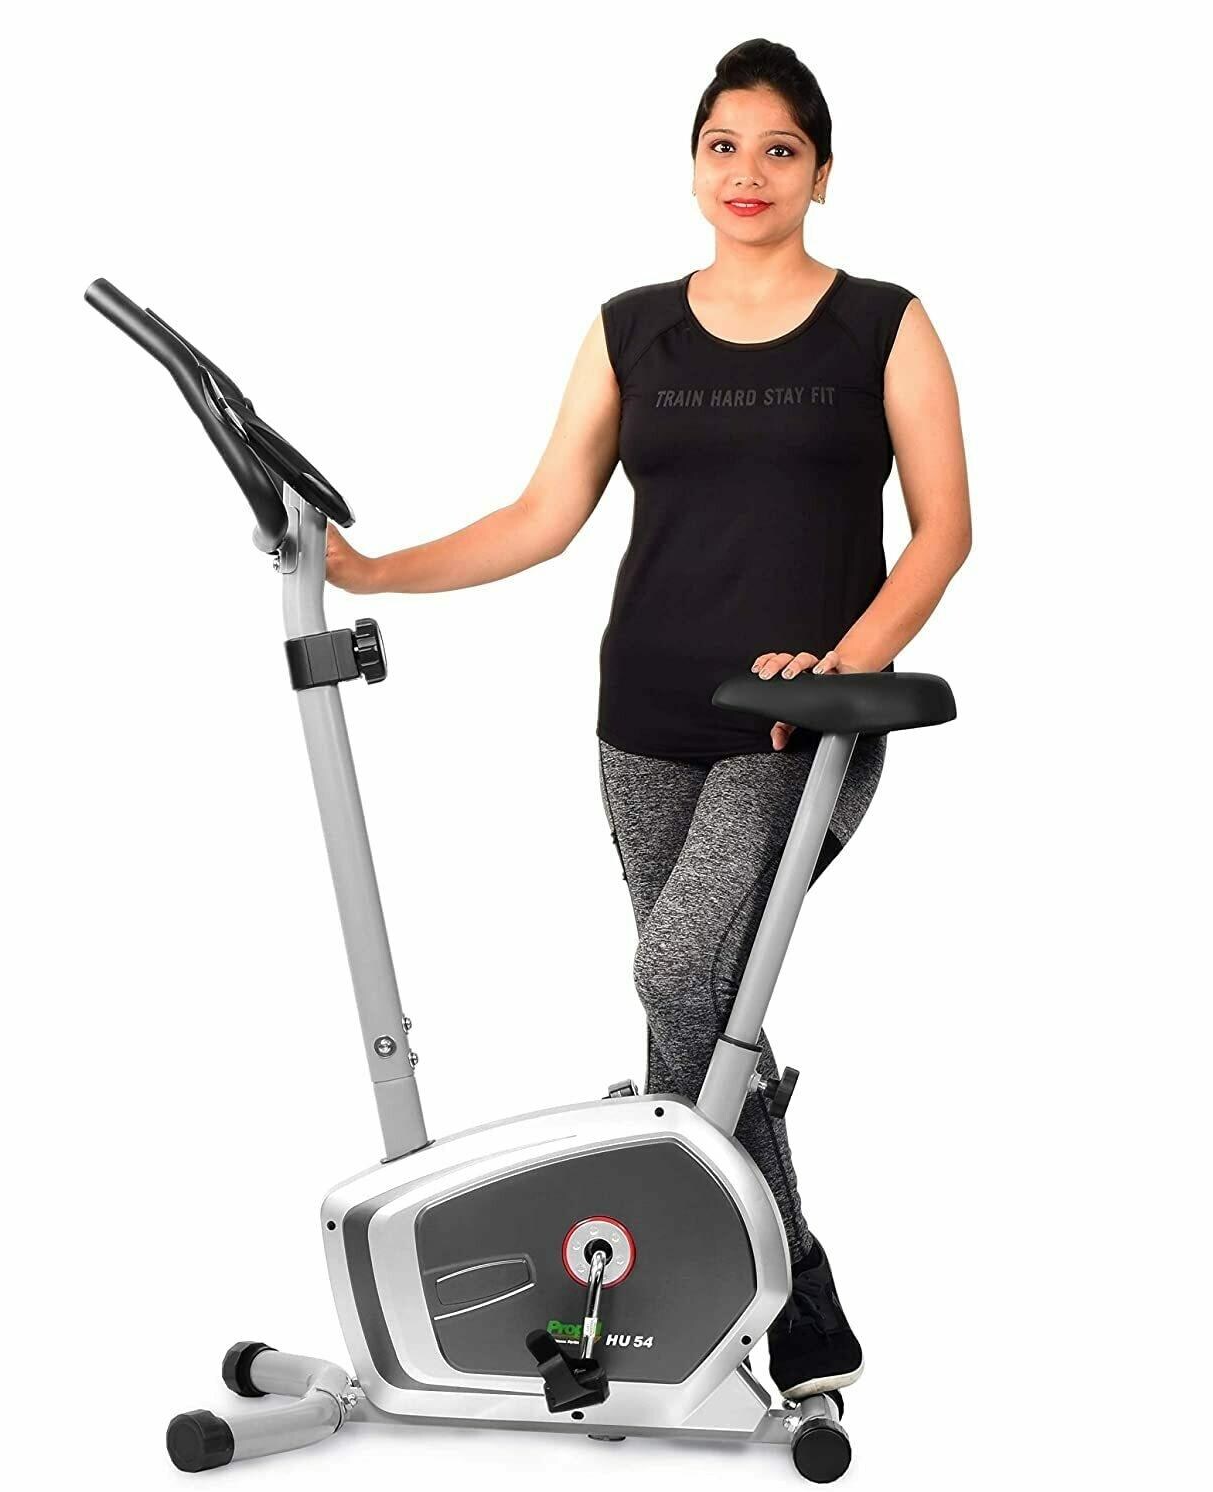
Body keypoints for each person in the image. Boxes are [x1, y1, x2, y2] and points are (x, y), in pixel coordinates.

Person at [324, 38, 971, 1403]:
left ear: (822, 173)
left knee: (680, 980)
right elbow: (542, 516)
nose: (750, 172)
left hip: (799, 731)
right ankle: (715, 1321)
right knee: (701, 1016)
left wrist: (841, 668)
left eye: (781, 149)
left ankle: (783, 1295)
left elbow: (943, 531)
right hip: (642, 721)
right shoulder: (633, 329)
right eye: (724, 145)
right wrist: (375, 574)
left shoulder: (886, 324)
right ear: (692, 165)